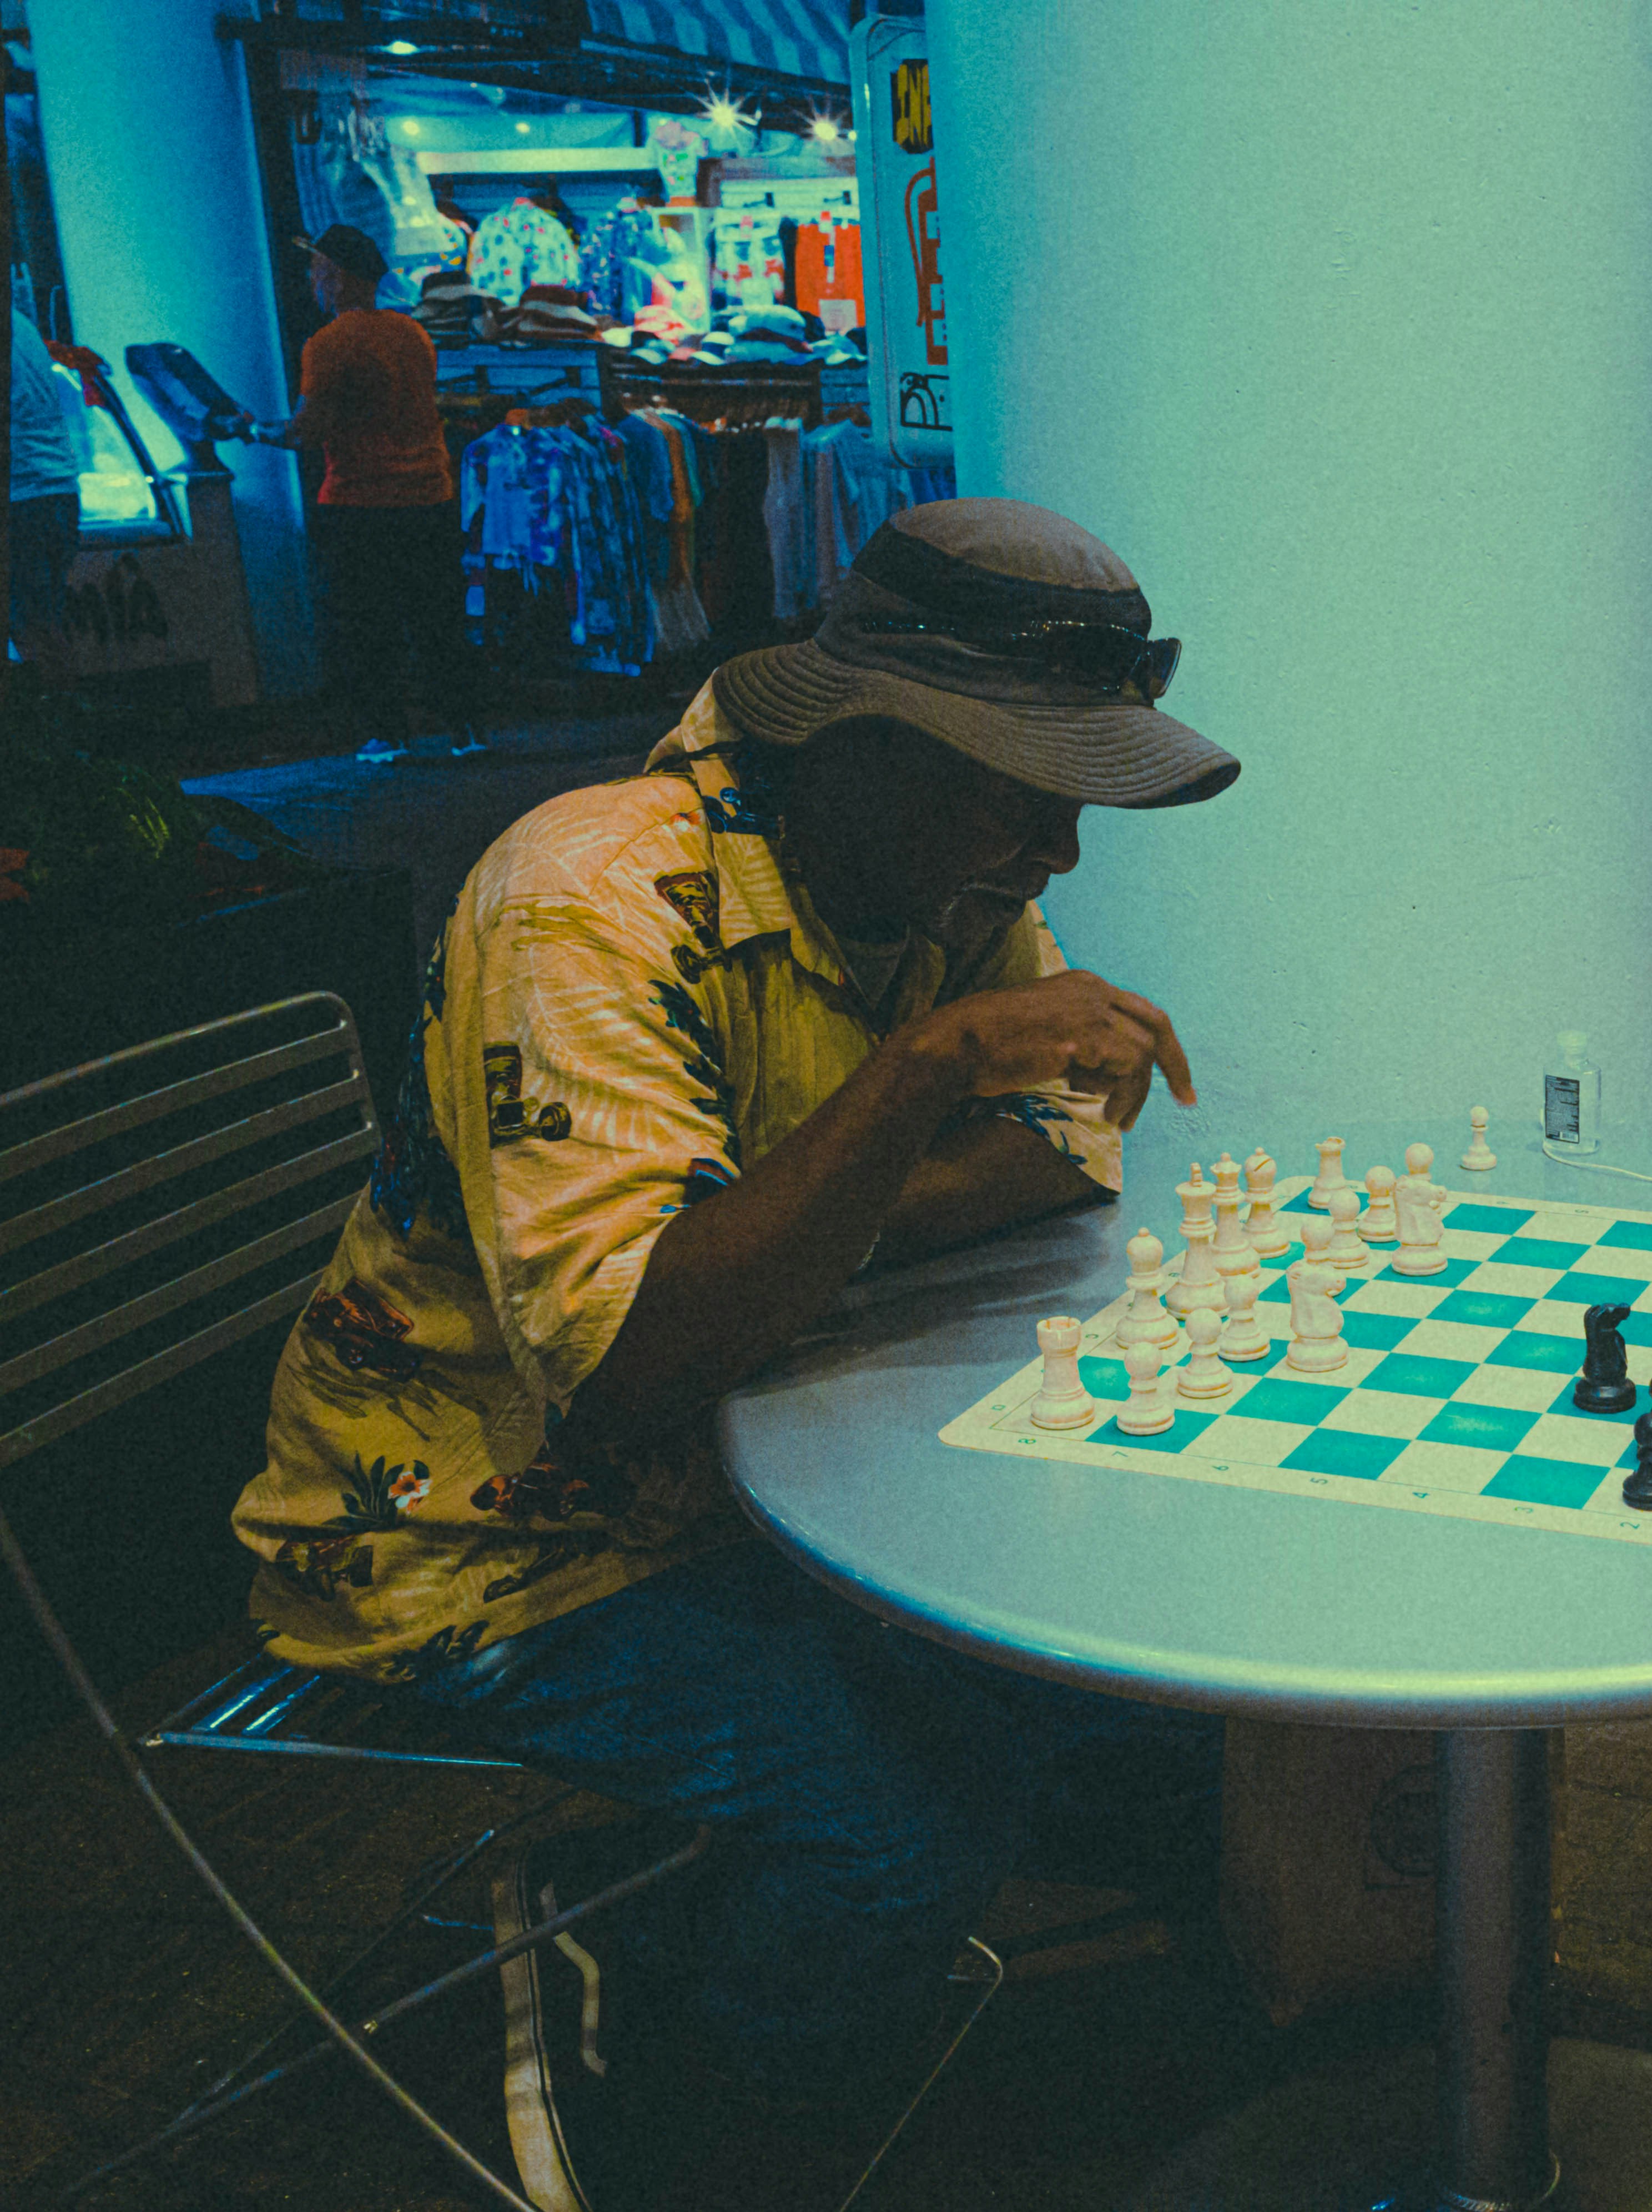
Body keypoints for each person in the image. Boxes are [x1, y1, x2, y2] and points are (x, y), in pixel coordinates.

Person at [231, 499, 1239, 2211]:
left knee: (1123, 1695)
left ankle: (747, 1944)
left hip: (753, 1469)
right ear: (868, 741)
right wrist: (920, 1077)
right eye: (1029, 788)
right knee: (897, 1834)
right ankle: (681, 2077)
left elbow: (1067, 1148)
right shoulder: (584, 901)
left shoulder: (932, 877)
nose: (1061, 853)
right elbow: (632, 1369)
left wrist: (790, 1223)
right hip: (472, 1542)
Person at [237, 223, 482, 762]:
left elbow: (305, 432)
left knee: (369, 625)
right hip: (430, 495)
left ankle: (386, 734)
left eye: (316, 269)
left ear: (339, 276)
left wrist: (252, 430)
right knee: (438, 618)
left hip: (362, 503)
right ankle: (464, 726)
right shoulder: (413, 334)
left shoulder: (329, 344)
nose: (311, 280)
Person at [8, 297, 88, 672]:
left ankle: (60, 706)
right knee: (44, 621)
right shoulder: (20, 323)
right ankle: (67, 702)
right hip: (57, 491)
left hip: (21, 496)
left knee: (29, 627)